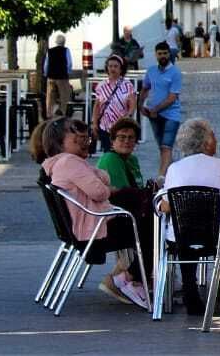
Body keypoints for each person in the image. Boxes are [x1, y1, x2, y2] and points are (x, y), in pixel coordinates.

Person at [41, 116, 150, 309]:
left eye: (86, 139)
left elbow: (103, 177)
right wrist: (105, 186)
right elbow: (99, 191)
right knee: (152, 227)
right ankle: (129, 278)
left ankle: (138, 278)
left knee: (144, 217)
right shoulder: (69, 163)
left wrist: (100, 180)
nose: (85, 143)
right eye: (78, 140)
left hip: (84, 228)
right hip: (94, 231)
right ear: (59, 143)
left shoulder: (64, 162)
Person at [159, 118, 220, 315]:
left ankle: (190, 291)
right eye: (213, 136)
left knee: (184, 231)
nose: (216, 140)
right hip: (218, 237)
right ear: (206, 143)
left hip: (183, 237)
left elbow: (165, 206)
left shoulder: (174, 168)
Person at [140, 41, 184, 177]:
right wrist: (140, 104)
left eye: (165, 53)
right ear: (155, 55)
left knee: (166, 147)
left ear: (169, 53)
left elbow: (172, 97)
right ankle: (172, 175)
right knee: (162, 148)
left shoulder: (175, 73)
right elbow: (145, 88)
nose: (163, 56)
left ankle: (161, 178)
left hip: (171, 115)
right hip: (154, 116)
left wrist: (156, 109)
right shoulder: (151, 71)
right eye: (160, 54)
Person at [92, 54, 138, 153]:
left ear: (121, 69)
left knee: (121, 153)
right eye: (110, 66)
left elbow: (132, 103)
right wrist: (94, 123)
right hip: (105, 126)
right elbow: (97, 106)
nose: (112, 69)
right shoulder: (101, 86)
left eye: (115, 66)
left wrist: (128, 116)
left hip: (121, 127)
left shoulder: (127, 85)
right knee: (109, 153)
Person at [96, 117, 147, 189]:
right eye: (122, 137)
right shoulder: (110, 159)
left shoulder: (132, 159)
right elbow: (124, 194)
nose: (126, 141)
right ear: (113, 140)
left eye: (131, 137)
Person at [42, 34, 74, 118]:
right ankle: (62, 114)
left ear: (56, 42)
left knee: (50, 97)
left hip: (51, 77)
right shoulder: (66, 50)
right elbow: (69, 63)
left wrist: (46, 74)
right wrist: (68, 73)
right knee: (64, 97)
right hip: (62, 77)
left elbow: (46, 64)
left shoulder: (50, 51)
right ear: (64, 42)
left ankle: (49, 114)